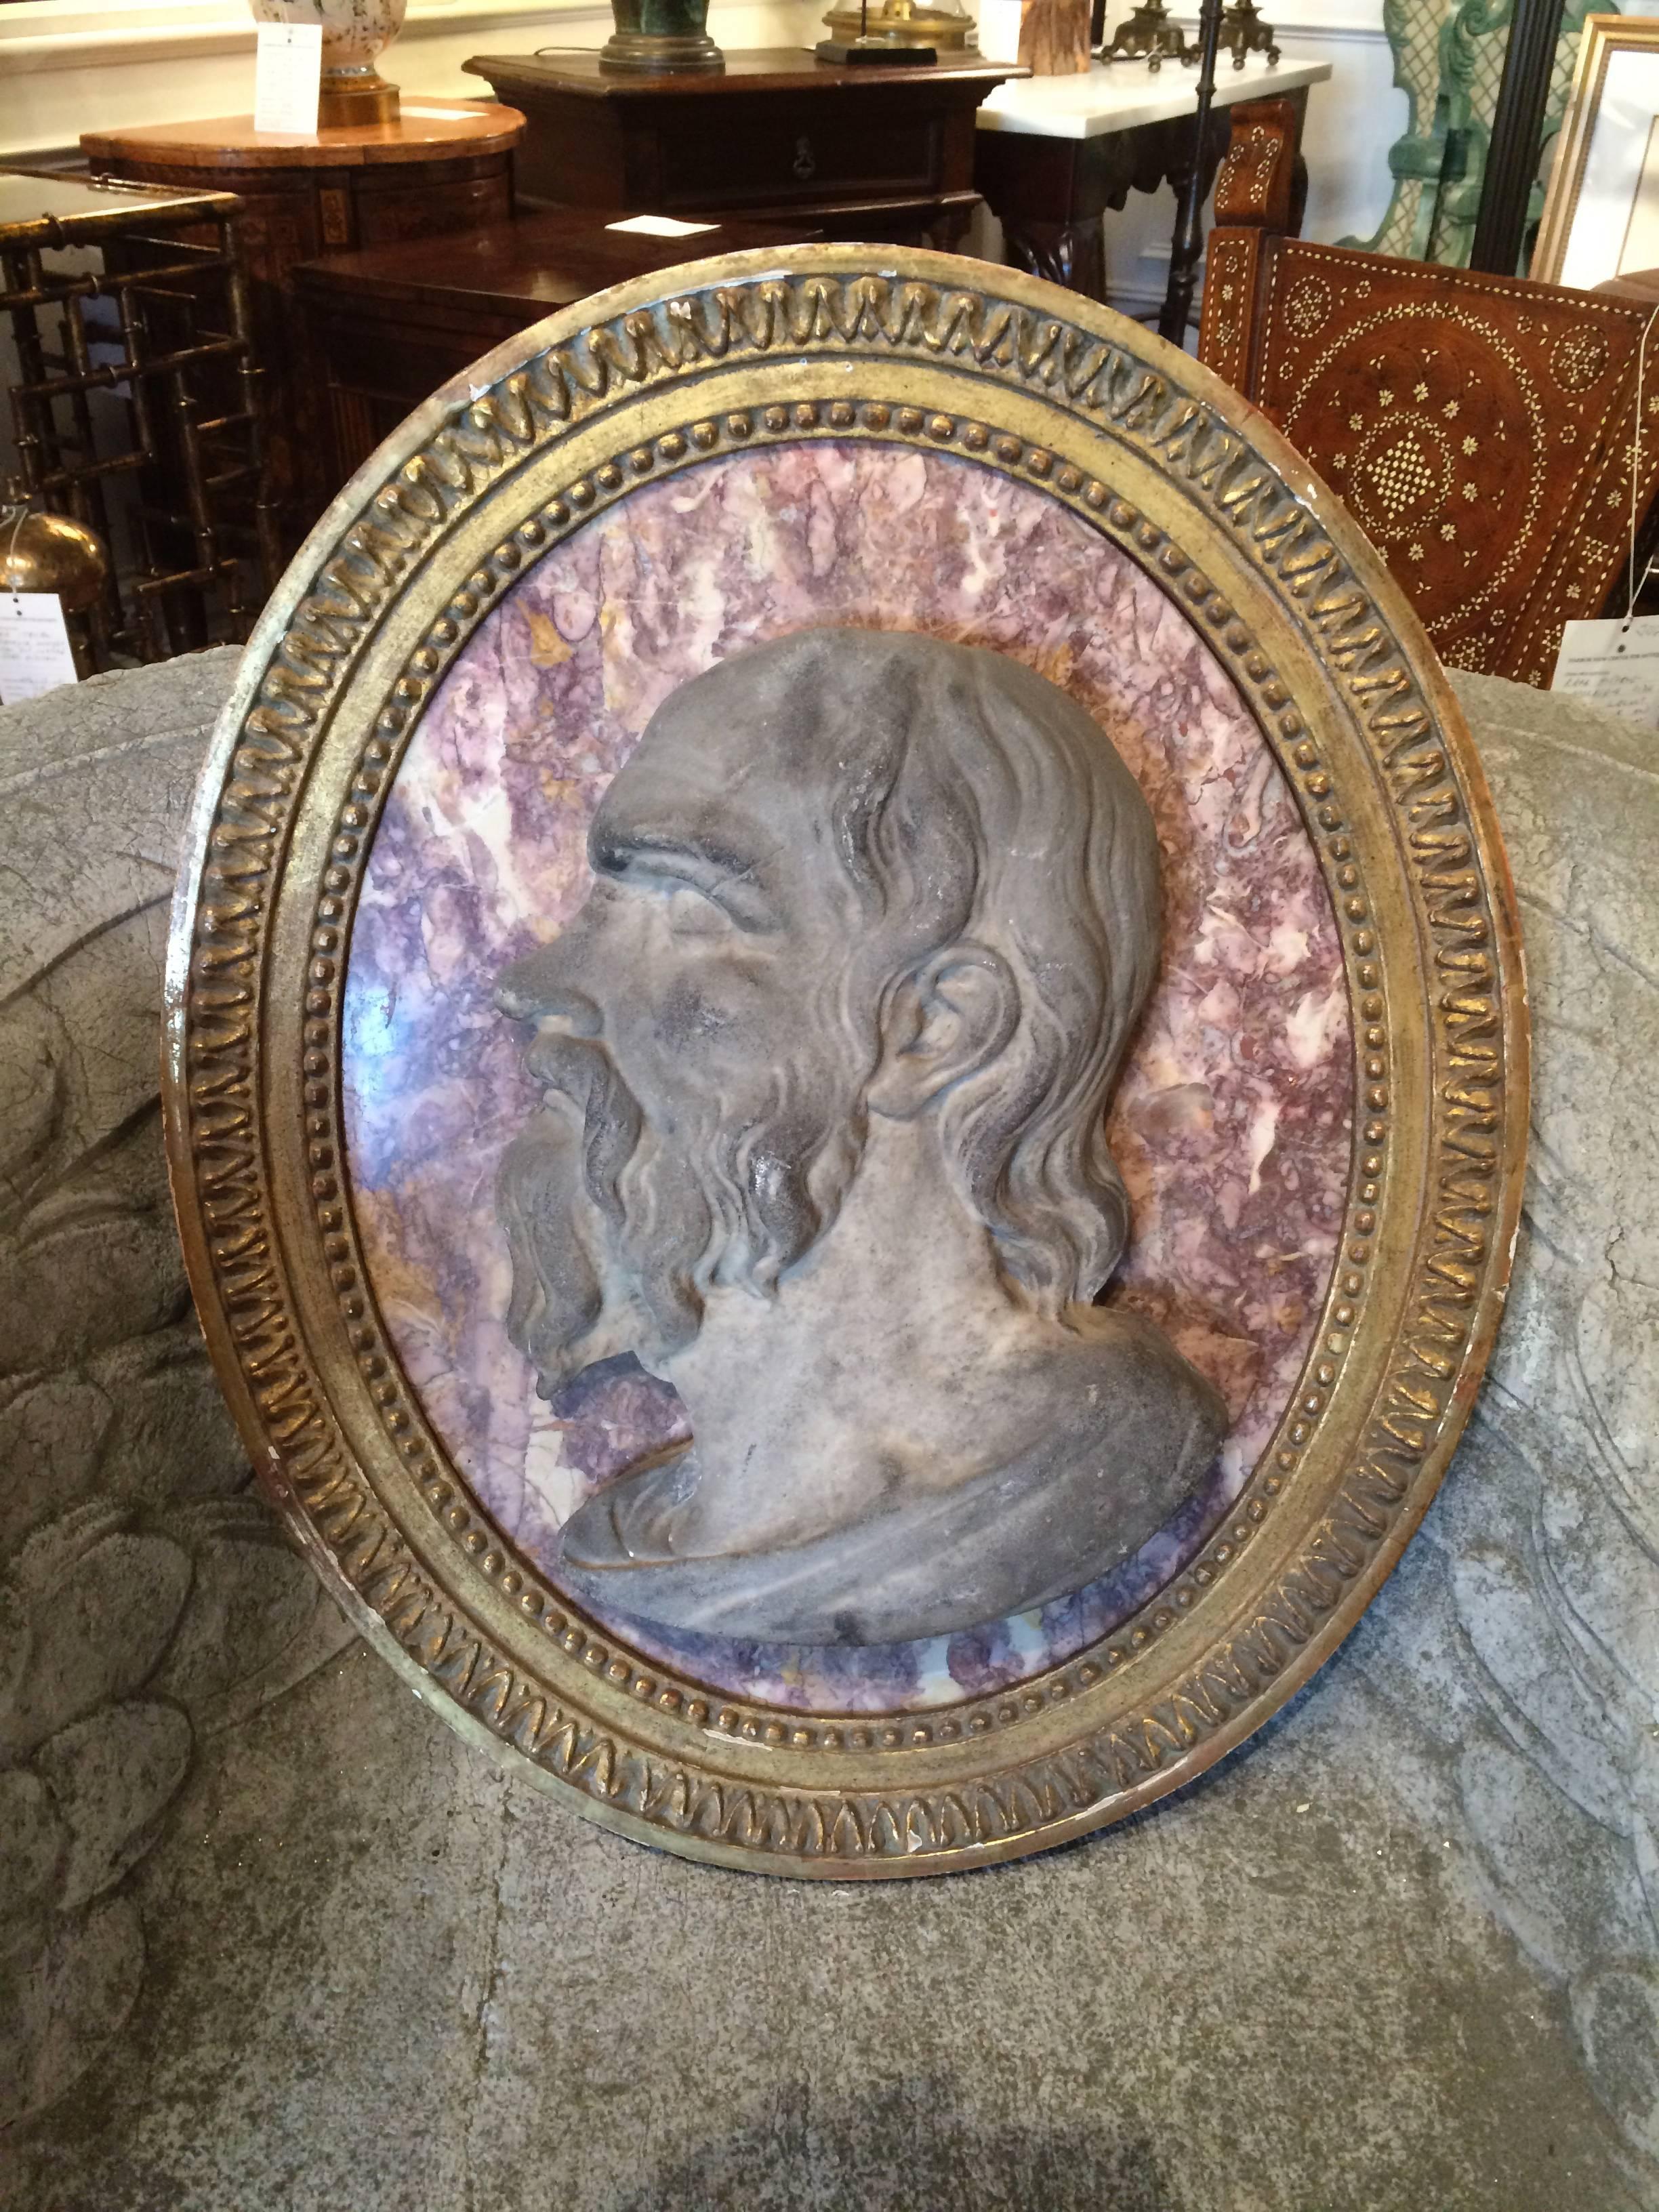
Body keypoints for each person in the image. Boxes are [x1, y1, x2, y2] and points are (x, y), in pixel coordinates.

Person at [495, 627, 1226, 1643]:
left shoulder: (1055, 1484)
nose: (530, 987)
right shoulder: (665, 1526)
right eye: (603, 905)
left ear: (937, 1029)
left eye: (690, 910)